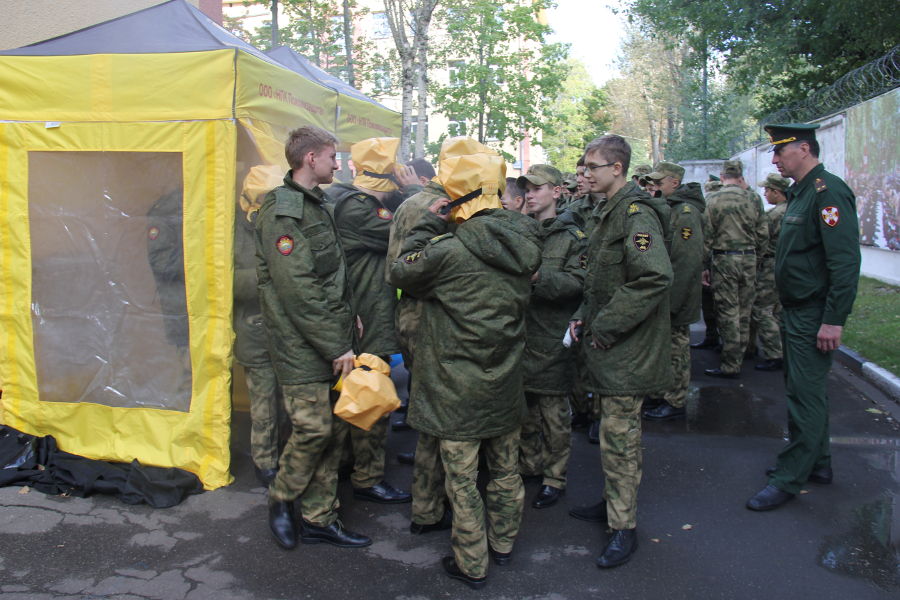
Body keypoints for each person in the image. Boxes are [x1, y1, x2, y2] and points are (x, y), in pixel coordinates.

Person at [390, 150, 542, 589]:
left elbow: (402, 270)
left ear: (457, 196)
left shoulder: (448, 252)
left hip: (456, 386)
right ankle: (504, 543)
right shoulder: (527, 246)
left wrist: (430, 223)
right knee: (506, 470)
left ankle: (472, 562)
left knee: (462, 479)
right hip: (506, 379)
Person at [255, 125, 369, 550]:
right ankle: (282, 497)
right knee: (313, 429)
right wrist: (336, 345)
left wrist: (350, 315)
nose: (337, 164)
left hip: (330, 335)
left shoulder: (315, 204)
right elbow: (297, 290)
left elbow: (331, 271)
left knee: (336, 432)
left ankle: (320, 516)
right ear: (310, 159)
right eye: (332, 157)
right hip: (302, 344)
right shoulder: (284, 212)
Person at [567, 135, 673, 569]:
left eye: (594, 166)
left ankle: (623, 527)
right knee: (611, 436)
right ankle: (614, 504)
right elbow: (599, 279)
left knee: (621, 438)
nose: (585, 173)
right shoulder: (606, 211)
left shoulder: (635, 213)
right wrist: (582, 313)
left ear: (617, 169)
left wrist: (605, 324)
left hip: (628, 347)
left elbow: (653, 277)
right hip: (610, 344)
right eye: (585, 166)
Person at [747, 123, 860, 511]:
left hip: (814, 313)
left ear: (805, 149)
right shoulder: (801, 194)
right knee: (803, 390)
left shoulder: (826, 193)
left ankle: (789, 477)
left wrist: (833, 319)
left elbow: (844, 263)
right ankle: (819, 463)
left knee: (804, 395)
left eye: (781, 151)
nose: (776, 159)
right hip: (796, 309)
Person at [386, 137, 491, 535]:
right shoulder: (433, 207)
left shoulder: (421, 202)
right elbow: (417, 269)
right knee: (438, 417)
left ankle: (427, 506)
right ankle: (433, 503)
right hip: (427, 314)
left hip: (418, 312)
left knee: (431, 414)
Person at [325, 137, 413, 505]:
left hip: (355, 313)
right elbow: (406, 235)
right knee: (371, 395)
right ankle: (368, 476)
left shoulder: (342, 199)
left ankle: (348, 464)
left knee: (351, 390)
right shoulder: (359, 209)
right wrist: (412, 193)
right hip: (367, 317)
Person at [516, 164, 587, 508]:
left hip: (551, 336)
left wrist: (538, 278)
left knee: (554, 415)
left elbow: (579, 283)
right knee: (524, 410)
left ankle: (554, 477)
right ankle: (529, 465)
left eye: (537, 188)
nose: (529, 194)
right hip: (519, 334)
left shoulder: (572, 237)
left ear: (557, 192)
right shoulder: (518, 231)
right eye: (526, 189)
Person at [643, 162, 706, 421]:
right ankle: (661, 392)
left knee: (677, 347)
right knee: (665, 347)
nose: (654, 187)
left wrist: (674, 300)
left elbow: (686, 259)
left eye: (659, 183)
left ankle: (675, 399)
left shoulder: (686, 211)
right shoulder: (670, 207)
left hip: (678, 293)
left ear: (674, 183)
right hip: (667, 292)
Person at [234, 165, 284, 486]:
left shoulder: (285, 223)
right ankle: (265, 463)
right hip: (255, 329)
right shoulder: (234, 232)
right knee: (263, 403)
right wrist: (270, 276)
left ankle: (288, 457)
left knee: (290, 400)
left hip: (287, 331)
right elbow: (224, 280)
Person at [702, 160, 768, 378]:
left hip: (724, 260)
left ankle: (731, 364)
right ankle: (745, 350)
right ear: (740, 176)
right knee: (744, 309)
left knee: (727, 311)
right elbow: (762, 233)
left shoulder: (712, 199)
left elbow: (707, 237)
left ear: (722, 177)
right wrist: (756, 257)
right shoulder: (753, 198)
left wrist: (705, 265)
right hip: (748, 258)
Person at [751, 173, 791, 371]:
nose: (765, 194)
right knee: (777, 309)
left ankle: (774, 354)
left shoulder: (774, 215)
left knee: (762, 309)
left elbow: (762, 241)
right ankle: (784, 350)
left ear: (777, 192)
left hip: (770, 265)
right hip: (786, 265)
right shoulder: (792, 210)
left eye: (767, 190)